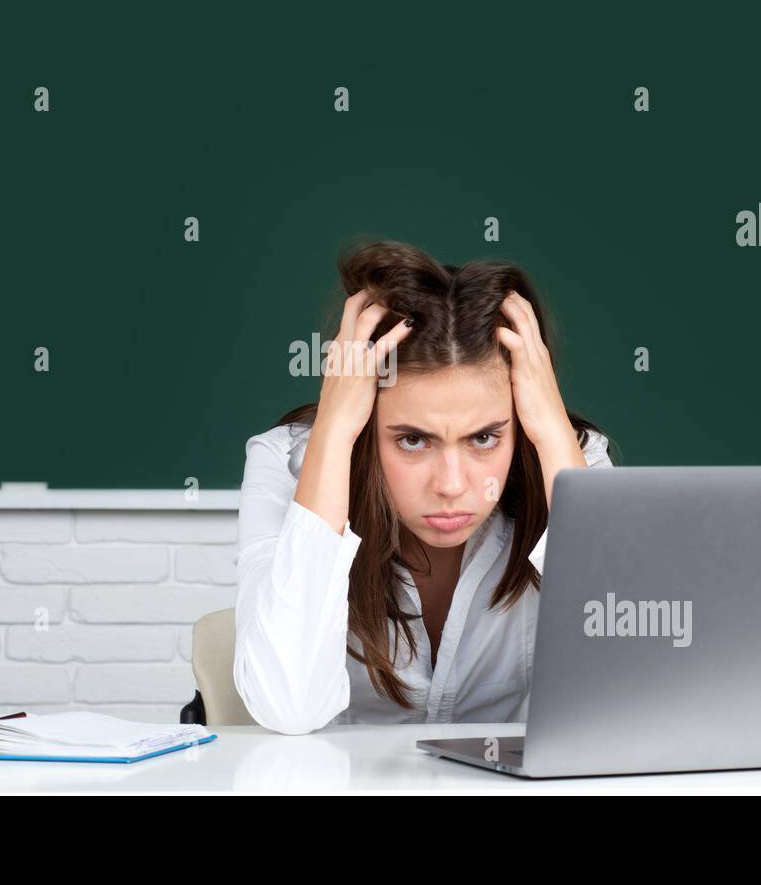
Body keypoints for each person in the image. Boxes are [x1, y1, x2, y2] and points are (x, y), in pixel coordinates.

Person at [234, 238, 614, 734]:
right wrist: (335, 431)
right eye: (413, 439)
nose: (452, 486)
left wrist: (548, 430)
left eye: (484, 437)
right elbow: (287, 707)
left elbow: (620, 685)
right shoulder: (288, 464)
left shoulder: (568, 459)